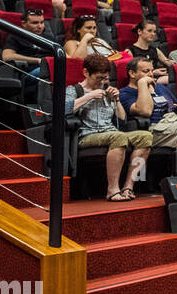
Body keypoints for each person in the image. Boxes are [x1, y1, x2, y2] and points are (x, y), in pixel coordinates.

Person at [64, 53, 153, 201]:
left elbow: (122, 119)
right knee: (118, 137)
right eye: (98, 78)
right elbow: (63, 110)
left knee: (146, 137)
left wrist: (116, 100)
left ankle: (128, 186)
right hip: (86, 135)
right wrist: (89, 96)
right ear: (86, 73)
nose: (102, 82)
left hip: (111, 132)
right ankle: (112, 189)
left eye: (105, 78)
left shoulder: (108, 90)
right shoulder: (74, 90)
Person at [119, 57, 177, 147]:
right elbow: (145, 111)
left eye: (152, 71)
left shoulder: (160, 87)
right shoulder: (125, 93)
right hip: (154, 129)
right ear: (132, 73)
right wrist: (142, 83)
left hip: (172, 121)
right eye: (146, 71)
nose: (151, 74)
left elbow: (176, 106)